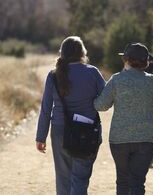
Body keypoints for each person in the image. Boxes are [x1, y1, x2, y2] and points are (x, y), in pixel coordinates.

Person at [94, 43, 153, 195]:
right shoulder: (151, 80)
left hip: (119, 139)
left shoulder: (116, 79)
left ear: (126, 60)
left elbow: (100, 106)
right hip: (145, 139)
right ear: (146, 62)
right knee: (137, 182)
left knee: (122, 180)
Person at [35, 36, 105, 195]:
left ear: (62, 53)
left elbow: (46, 108)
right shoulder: (93, 72)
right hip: (88, 131)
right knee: (80, 179)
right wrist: (92, 104)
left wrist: (41, 137)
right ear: (83, 53)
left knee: (63, 177)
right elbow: (106, 100)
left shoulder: (53, 75)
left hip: (60, 130)